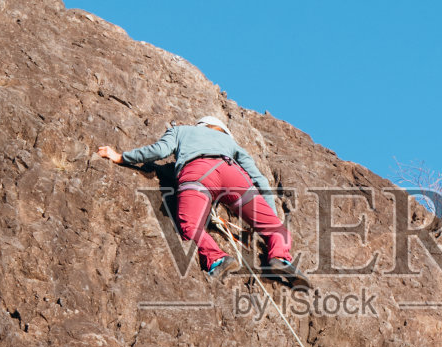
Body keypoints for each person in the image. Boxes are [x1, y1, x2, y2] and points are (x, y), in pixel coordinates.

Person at [98, 115, 301, 282]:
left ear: (201, 126)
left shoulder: (182, 131)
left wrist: (121, 157)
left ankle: (218, 259)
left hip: (199, 173)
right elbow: (260, 180)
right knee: (276, 229)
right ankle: (280, 257)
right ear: (222, 131)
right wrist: (271, 219)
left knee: (190, 226)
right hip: (232, 174)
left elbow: (159, 151)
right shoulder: (230, 142)